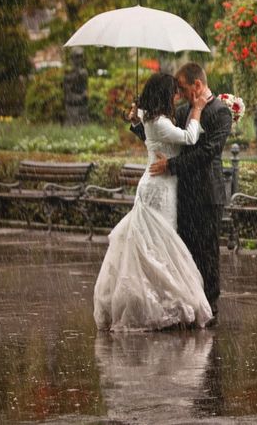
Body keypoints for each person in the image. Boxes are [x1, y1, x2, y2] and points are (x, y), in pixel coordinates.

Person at [94, 73, 213, 331]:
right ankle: (157, 304)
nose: (177, 96)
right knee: (156, 243)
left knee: (158, 242)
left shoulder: (152, 118)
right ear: (164, 95)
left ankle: (160, 299)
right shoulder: (159, 122)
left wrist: (135, 115)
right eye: (174, 92)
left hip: (162, 186)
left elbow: (142, 122)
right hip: (158, 189)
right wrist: (198, 109)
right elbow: (190, 138)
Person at [130, 63, 232, 318]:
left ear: (197, 85)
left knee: (207, 252)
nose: (180, 93)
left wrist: (171, 165)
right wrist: (137, 124)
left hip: (207, 193)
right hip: (182, 192)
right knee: (183, 250)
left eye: (183, 88)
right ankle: (187, 301)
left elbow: (207, 152)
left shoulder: (221, 112)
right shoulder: (186, 110)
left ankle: (209, 304)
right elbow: (163, 137)